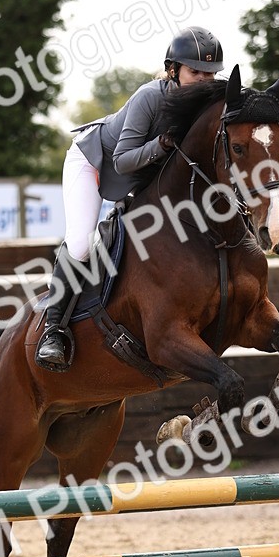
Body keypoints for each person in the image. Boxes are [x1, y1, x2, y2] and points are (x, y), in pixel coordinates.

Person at [36, 26, 224, 370]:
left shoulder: (207, 107)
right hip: (93, 162)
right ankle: (53, 332)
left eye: (210, 73)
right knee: (80, 243)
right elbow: (122, 160)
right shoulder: (150, 96)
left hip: (140, 179)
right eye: (194, 71)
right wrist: (162, 144)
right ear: (173, 70)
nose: (203, 80)